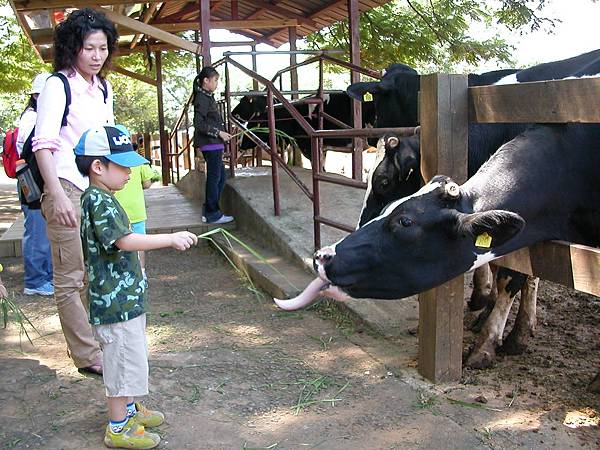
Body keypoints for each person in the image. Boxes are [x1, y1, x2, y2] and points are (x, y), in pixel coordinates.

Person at [75, 125, 198, 449]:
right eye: (124, 166)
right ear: (98, 167)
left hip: (125, 300)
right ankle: (118, 428)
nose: (131, 172)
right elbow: (124, 240)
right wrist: (170, 239)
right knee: (120, 363)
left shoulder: (104, 197)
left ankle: (129, 411)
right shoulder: (99, 200)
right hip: (115, 304)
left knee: (130, 357)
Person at [32, 8, 118, 376]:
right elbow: (43, 144)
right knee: (71, 278)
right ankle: (86, 355)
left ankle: (99, 341)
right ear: (73, 48)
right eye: (89, 48)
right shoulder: (58, 85)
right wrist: (58, 195)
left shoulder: (103, 88)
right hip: (65, 187)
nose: (97, 56)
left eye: (102, 48)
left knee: (97, 271)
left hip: (96, 191)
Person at [16, 73, 54, 296]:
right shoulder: (33, 119)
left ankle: (45, 275)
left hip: (36, 181)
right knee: (37, 231)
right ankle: (35, 280)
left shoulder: (36, 116)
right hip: (32, 183)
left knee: (43, 231)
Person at [193, 66, 234, 224]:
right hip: (210, 144)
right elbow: (199, 123)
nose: (217, 83)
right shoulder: (202, 99)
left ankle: (209, 210)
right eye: (215, 80)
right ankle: (212, 213)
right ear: (206, 80)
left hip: (214, 144)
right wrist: (219, 133)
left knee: (220, 177)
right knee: (215, 178)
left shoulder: (207, 97)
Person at [114, 140, 158, 276]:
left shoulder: (111, 161)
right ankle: (141, 272)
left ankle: (121, 273)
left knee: (118, 242)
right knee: (140, 243)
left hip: (117, 210)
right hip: (137, 210)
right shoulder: (140, 162)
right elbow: (147, 184)